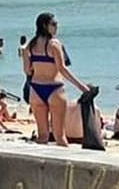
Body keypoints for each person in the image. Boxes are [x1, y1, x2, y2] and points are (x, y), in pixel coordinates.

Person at [21, 12, 89, 146]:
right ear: (45, 26)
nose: (57, 27)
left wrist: (25, 55)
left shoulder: (31, 44)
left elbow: (27, 70)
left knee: (42, 136)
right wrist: (81, 86)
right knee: (60, 136)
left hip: (36, 89)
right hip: (54, 89)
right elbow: (62, 69)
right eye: (54, 24)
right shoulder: (54, 44)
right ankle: (66, 165)